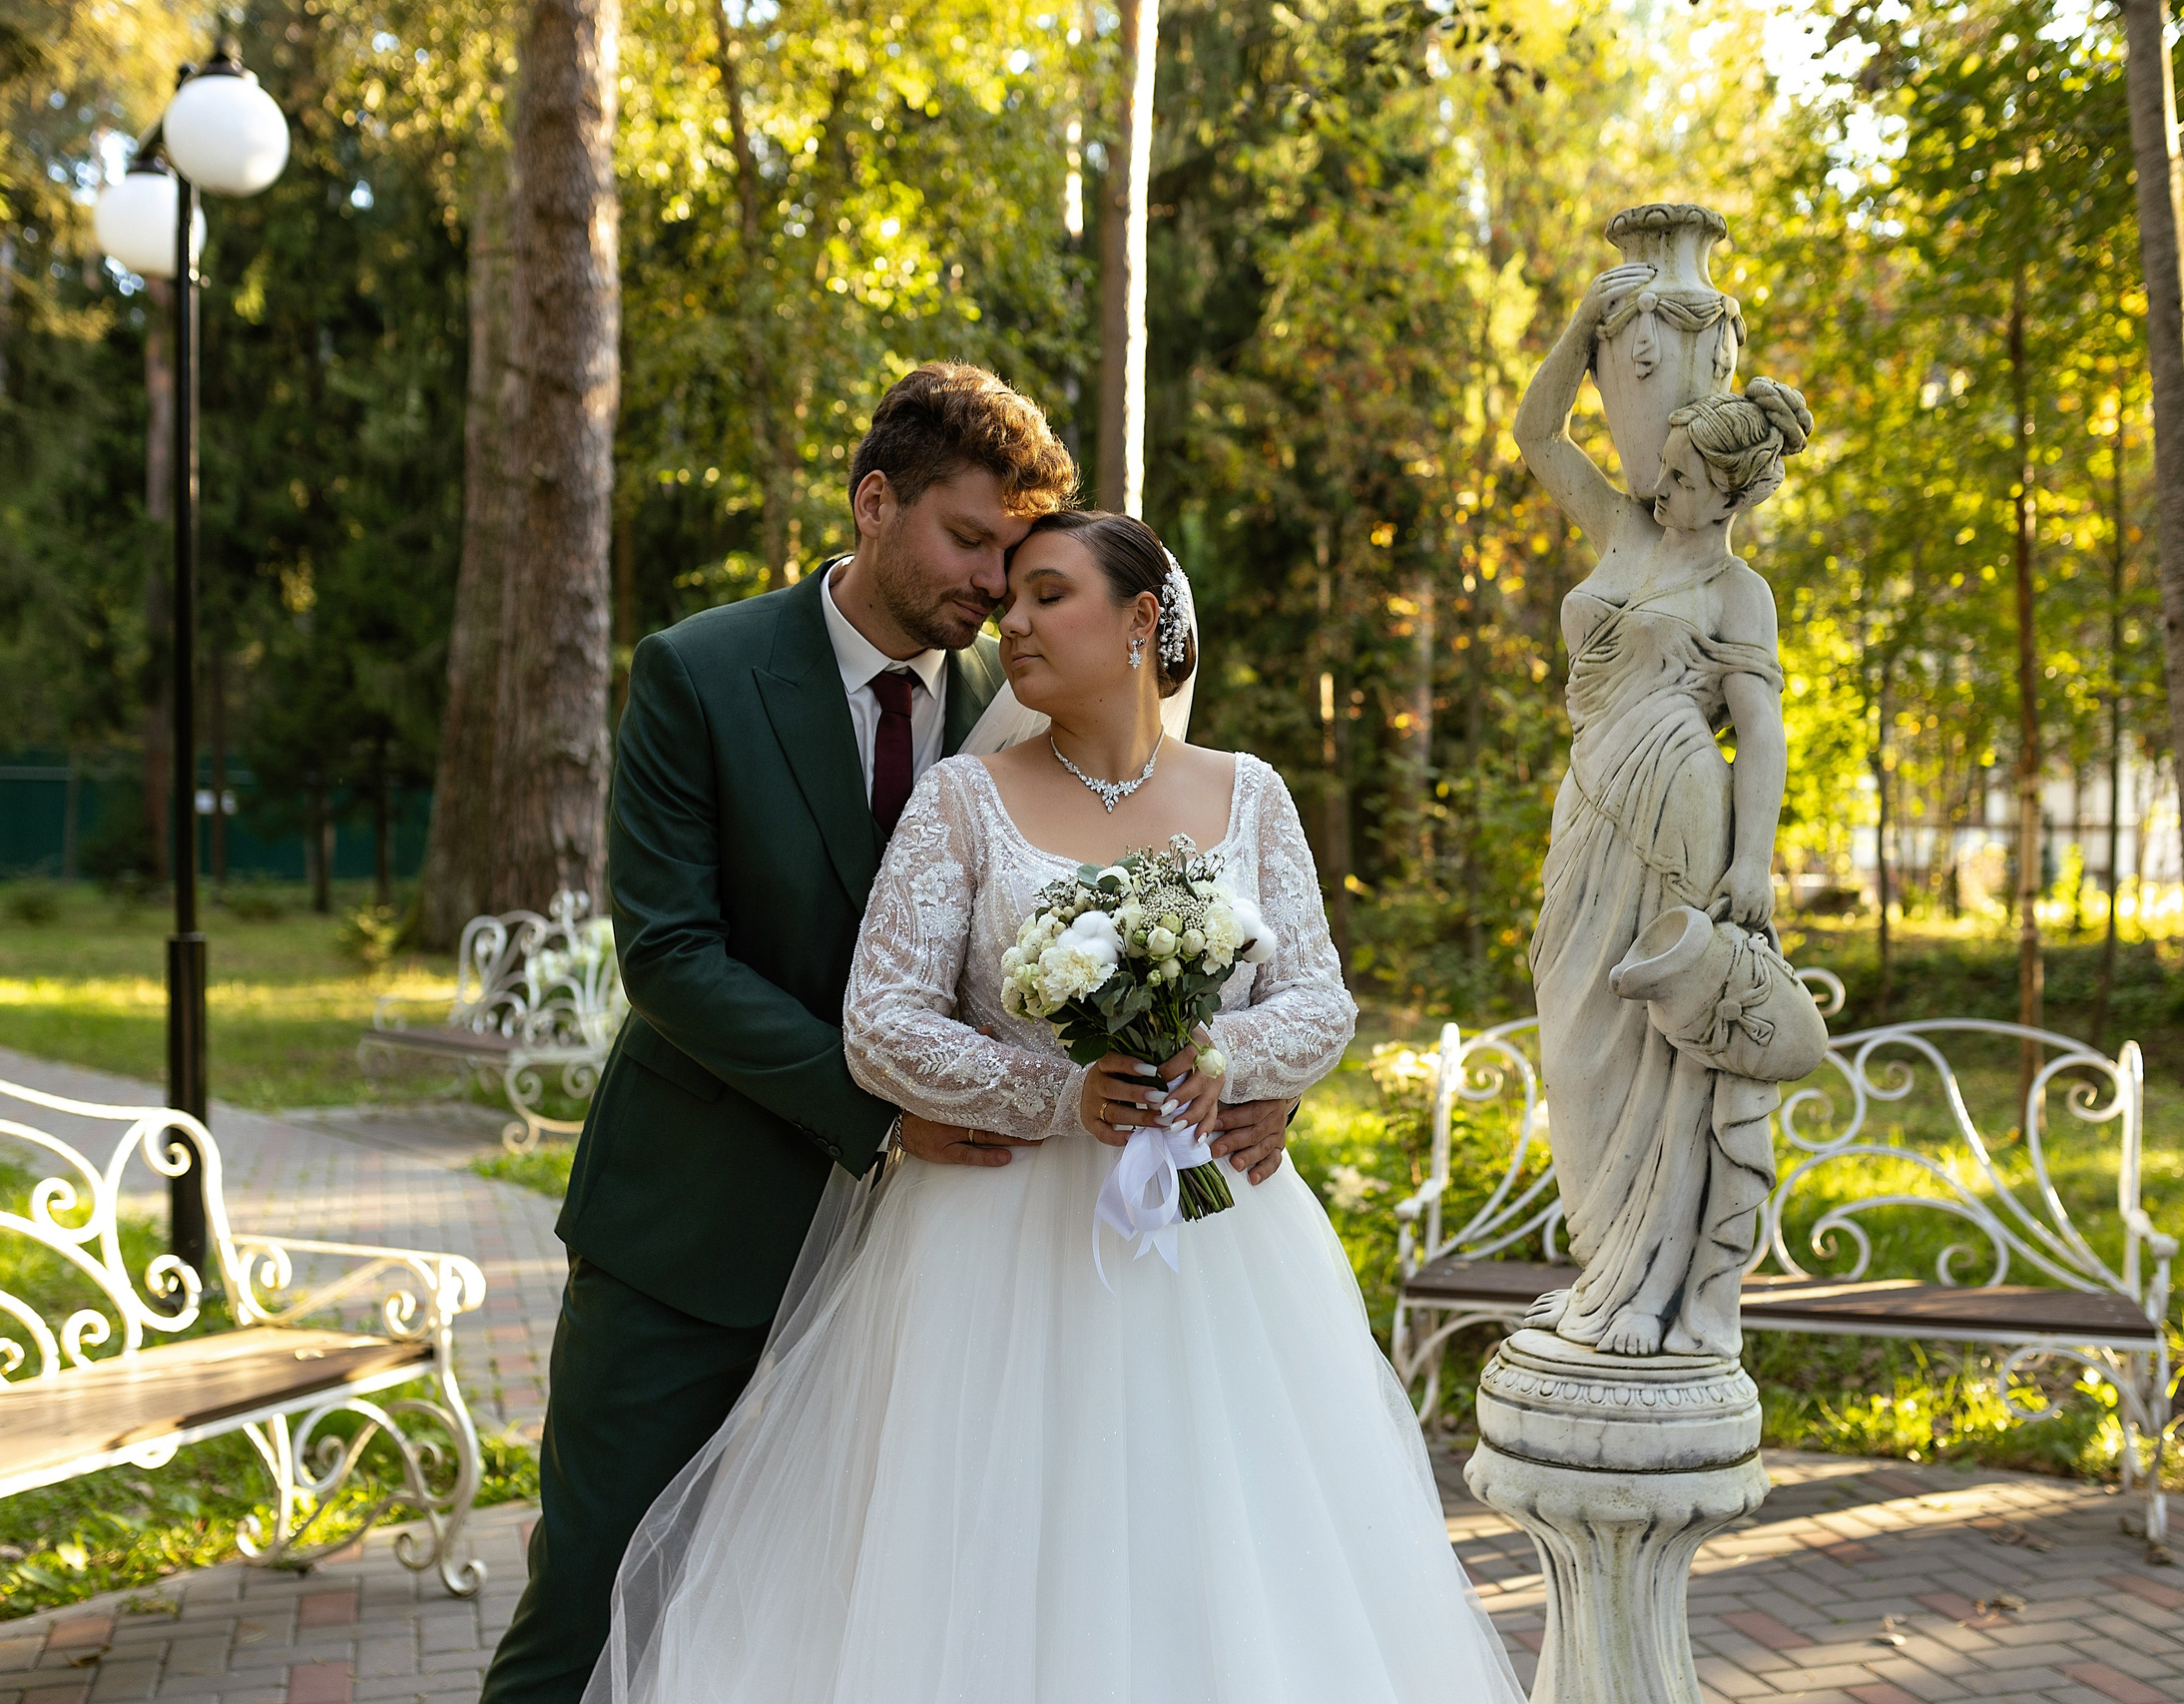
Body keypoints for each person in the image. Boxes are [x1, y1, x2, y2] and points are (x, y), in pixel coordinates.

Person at [582, 510, 1524, 1702]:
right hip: (992, 1245)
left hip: (1217, 1249)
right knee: (989, 1564)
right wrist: (1058, 1091)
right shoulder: (963, 803)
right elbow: (881, 1024)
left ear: (1141, 620)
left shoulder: (1251, 795)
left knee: (1218, 1559)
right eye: (1008, 597)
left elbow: (1320, 1001)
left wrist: (1219, 1060)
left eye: (1046, 596)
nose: (1008, 622)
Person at [478, 365, 1297, 1704]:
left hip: (940, 1283)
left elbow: (1163, 919)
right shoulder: (699, 670)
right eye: (968, 538)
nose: (992, 580)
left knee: (847, 1628)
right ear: (874, 502)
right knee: (591, 1596)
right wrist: (879, 1109)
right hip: (701, 1231)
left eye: (1018, 554)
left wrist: (1229, 1078)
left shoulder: (1021, 703)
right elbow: (672, 957)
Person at [1513, 266, 1814, 1359]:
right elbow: (1537, 433)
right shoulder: (1620, 529)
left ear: (1729, 495)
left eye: (1682, 473)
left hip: (1679, 803)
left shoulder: (1740, 593)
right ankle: (1605, 1269)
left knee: (1673, 1060)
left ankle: (1659, 1289)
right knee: (1579, 1029)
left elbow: (1764, 734)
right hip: (1589, 800)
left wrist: (1754, 862)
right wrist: (1582, 320)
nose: (1659, 477)